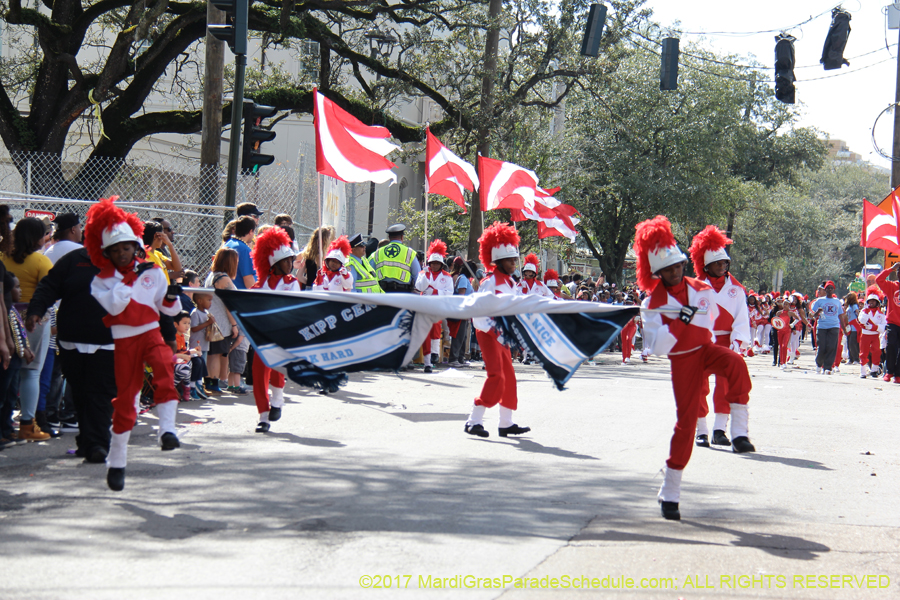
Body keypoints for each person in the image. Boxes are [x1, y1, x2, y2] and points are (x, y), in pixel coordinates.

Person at [635, 216, 753, 521]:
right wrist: (679, 322)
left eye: (678, 266)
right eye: (668, 270)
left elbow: (709, 321)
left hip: (705, 349)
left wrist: (708, 333)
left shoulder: (701, 288)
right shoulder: (652, 304)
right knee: (685, 425)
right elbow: (657, 346)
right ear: (658, 274)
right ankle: (670, 489)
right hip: (682, 361)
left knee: (736, 363)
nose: (675, 272)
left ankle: (738, 433)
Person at [85, 197, 183, 491]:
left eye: (126, 248)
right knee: (127, 399)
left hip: (151, 332)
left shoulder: (152, 271)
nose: (122, 254)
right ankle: (116, 462)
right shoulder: (101, 281)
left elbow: (168, 309)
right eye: (115, 250)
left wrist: (171, 296)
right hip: (124, 340)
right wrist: (130, 279)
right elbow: (115, 307)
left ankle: (167, 431)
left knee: (165, 367)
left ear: (136, 247)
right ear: (106, 253)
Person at [463, 222, 530, 439]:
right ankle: (473, 421)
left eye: (515, 260)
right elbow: (479, 314)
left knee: (509, 377)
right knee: (496, 376)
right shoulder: (489, 282)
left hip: (504, 337)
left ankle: (506, 423)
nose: (514, 264)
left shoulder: (511, 283)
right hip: (488, 334)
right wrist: (495, 331)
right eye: (510, 260)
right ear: (499, 261)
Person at [687, 225, 752, 448]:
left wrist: (737, 342)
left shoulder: (737, 289)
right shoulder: (695, 288)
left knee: (725, 385)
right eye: (718, 263)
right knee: (698, 386)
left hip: (726, 341)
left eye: (725, 263)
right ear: (707, 267)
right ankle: (701, 431)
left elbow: (741, 317)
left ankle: (719, 430)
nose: (723, 266)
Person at [2, 217, 54, 442]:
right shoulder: (41, 262)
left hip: (6, 317)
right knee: (31, 371)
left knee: (8, 371)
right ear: (37, 237)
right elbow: (50, 293)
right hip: (35, 318)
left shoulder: (3, 259)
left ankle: (6, 425)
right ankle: (27, 425)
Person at [249, 227, 299, 432]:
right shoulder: (259, 285)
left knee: (278, 370)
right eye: (286, 261)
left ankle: (277, 400)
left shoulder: (292, 283)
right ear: (275, 264)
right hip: (262, 336)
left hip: (282, 334)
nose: (290, 265)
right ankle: (263, 416)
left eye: (291, 260)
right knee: (259, 374)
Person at [204, 248, 242, 394]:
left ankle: (211, 383)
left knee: (213, 354)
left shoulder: (212, 275)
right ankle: (213, 383)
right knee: (216, 354)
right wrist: (234, 325)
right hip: (220, 324)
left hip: (213, 321)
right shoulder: (223, 279)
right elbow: (229, 305)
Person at [415, 240, 453, 374]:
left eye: (437, 263)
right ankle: (427, 363)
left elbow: (450, 292)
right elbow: (419, 287)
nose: (435, 265)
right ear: (429, 263)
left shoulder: (447, 277)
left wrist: (436, 291)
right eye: (433, 263)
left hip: (438, 306)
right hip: (424, 306)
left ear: (441, 264)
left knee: (436, 327)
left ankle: (435, 352)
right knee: (425, 333)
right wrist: (425, 276)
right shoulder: (422, 273)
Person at [810, 280, 847, 376]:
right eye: (828, 288)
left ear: (833, 289)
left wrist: (844, 329)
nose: (829, 290)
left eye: (831, 288)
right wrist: (817, 312)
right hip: (822, 327)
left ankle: (828, 367)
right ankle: (819, 365)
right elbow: (812, 315)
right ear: (825, 290)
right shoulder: (819, 301)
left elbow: (840, 316)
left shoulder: (837, 301)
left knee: (831, 347)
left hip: (834, 327)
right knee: (821, 346)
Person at [372, 223, 420, 292]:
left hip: (383, 292)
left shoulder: (378, 252)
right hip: (403, 292)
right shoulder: (409, 252)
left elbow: (370, 272)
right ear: (402, 237)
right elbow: (417, 276)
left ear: (389, 237)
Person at [448, 257, 474, 367]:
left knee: (463, 336)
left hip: (466, 312)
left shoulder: (465, 279)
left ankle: (460, 358)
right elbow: (461, 295)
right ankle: (453, 358)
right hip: (461, 311)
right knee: (458, 336)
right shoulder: (462, 279)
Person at [141, 220, 183, 284]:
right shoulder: (146, 256)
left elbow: (177, 268)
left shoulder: (157, 254)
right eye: (163, 234)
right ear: (156, 236)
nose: (165, 237)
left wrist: (170, 245)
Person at [858, 287, 886, 378]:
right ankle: (863, 371)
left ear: (877, 303)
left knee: (877, 352)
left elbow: (883, 327)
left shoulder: (881, 314)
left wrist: (874, 327)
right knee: (863, 353)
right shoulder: (864, 311)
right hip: (865, 335)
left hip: (875, 336)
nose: (872, 303)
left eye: (874, 301)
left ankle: (874, 370)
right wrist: (866, 312)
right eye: (870, 301)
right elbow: (862, 321)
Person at [224, 216, 257, 289]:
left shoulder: (228, 243)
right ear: (250, 231)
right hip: (240, 293)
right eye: (254, 231)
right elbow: (248, 278)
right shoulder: (244, 249)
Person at [297, 226, 334, 290]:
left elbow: (299, 275)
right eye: (329, 238)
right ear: (324, 240)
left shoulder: (308, 254)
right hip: (321, 288)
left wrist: (309, 282)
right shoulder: (325, 255)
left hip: (309, 288)